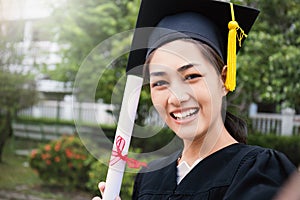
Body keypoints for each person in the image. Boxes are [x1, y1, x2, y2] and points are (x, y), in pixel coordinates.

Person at [92, 0, 297, 199]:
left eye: (191, 76)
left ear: (224, 79)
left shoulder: (259, 171)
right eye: (160, 82)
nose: (177, 97)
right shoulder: (149, 178)